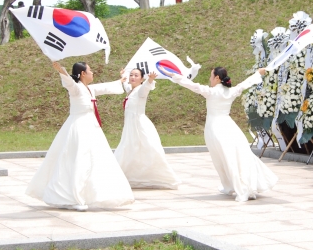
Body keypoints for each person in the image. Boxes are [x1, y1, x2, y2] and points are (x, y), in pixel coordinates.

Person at [25, 61, 134, 211]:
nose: (92, 72)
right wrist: (62, 71)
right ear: (83, 74)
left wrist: (120, 81)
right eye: (90, 70)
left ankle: (89, 195)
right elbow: (69, 83)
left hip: (91, 127)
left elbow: (104, 87)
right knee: (77, 160)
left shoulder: (89, 89)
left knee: (95, 160)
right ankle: (73, 197)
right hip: (78, 127)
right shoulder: (76, 88)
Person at [160, 65, 278, 202]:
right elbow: (245, 83)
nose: (209, 79)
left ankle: (239, 187)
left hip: (215, 129)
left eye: (211, 76)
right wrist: (258, 73)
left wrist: (171, 74)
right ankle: (238, 185)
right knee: (238, 156)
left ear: (217, 78)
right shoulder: (231, 91)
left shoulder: (211, 92)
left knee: (226, 159)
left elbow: (190, 84)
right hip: (229, 127)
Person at [114, 69, 182, 189]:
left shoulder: (141, 90)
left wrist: (149, 80)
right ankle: (128, 176)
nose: (133, 77)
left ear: (141, 79)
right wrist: (123, 74)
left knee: (149, 148)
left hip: (139, 125)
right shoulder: (131, 90)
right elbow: (126, 85)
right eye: (131, 75)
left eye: (136, 75)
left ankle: (164, 176)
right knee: (129, 149)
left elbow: (145, 88)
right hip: (130, 127)